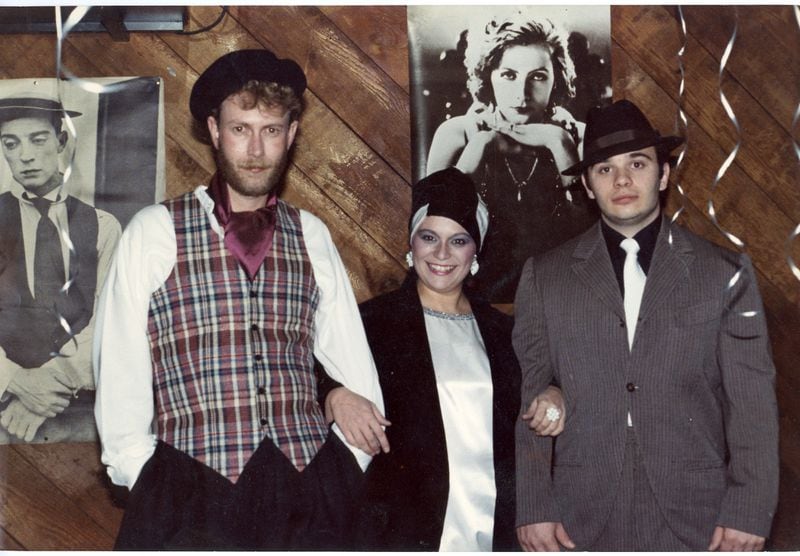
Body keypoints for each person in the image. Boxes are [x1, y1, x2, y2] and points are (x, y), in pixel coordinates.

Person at [92, 49, 385, 550]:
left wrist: (340, 468)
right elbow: (118, 367)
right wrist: (147, 476)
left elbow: (357, 371)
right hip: (190, 495)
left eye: (270, 130)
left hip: (306, 498)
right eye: (240, 128)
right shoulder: (155, 231)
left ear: (291, 135)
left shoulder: (311, 234)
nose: (254, 149)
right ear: (213, 130)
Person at [513, 99, 779, 551]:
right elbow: (531, 398)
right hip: (580, 517)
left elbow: (752, 404)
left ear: (663, 174)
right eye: (604, 169)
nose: (621, 180)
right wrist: (535, 505)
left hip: (700, 516)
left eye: (637, 163)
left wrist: (749, 509)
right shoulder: (545, 276)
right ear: (587, 186)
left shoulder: (725, 272)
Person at [323, 167, 566, 550]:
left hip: (496, 525)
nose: (441, 254)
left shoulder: (505, 333)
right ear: (412, 243)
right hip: (404, 530)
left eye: (458, 241)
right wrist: (335, 395)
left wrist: (554, 392)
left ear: (475, 252)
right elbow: (308, 368)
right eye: (430, 237)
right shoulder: (371, 323)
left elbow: (547, 385)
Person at [426, 12, 597, 303]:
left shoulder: (577, 136)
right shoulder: (456, 133)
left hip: (566, 298)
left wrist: (559, 143)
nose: (522, 93)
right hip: (473, 301)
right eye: (509, 75)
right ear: (487, 76)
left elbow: (594, 240)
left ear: (556, 79)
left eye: (538, 77)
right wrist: (480, 146)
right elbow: (430, 234)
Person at [0, 94, 121, 443]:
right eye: (11, 143)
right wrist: (14, 381)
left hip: (77, 409)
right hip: (4, 407)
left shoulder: (103, 225)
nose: (25, 155)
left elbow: (111, 321)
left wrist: (46, 387)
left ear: (62, 141)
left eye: (38, 139)